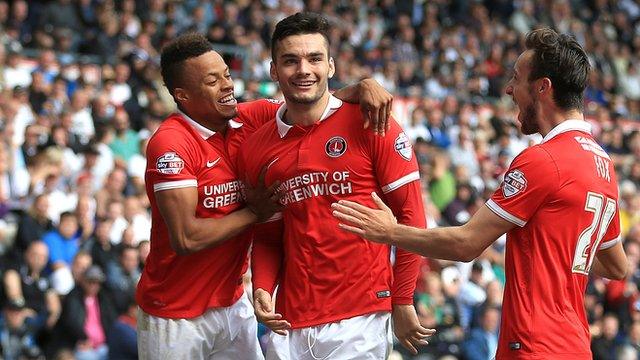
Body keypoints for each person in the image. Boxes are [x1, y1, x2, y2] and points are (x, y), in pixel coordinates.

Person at [331, 28, 628, 360]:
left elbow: (465, 244)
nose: (508, 89)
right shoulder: (604, 164)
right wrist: (559, 253)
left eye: (516, 78)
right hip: (574, 346)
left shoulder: (544, 159)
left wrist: (389, 232)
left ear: (543, 87)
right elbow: (617, 267)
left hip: (533, 344)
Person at [137, 32, 394, 360]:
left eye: (227, 75)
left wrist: (362, 87)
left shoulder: (249, 118)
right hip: (175, 313)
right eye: (212, 81)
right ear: (183, 95)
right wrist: (253, 214)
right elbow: (186, 238)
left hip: (233, 303)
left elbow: (310, 103)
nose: (227, 85)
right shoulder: (171, 143)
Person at [237, 13, 434, 359]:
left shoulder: (373, 122)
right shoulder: (257, 147)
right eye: (290, 61)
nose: (303, 70)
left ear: (330, 66)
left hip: (360, 318)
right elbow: (268, 233)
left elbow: (411, 215)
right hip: (288, 322)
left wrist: (402, 300)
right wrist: (264, 287)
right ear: (273, 70)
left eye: (314, 58)